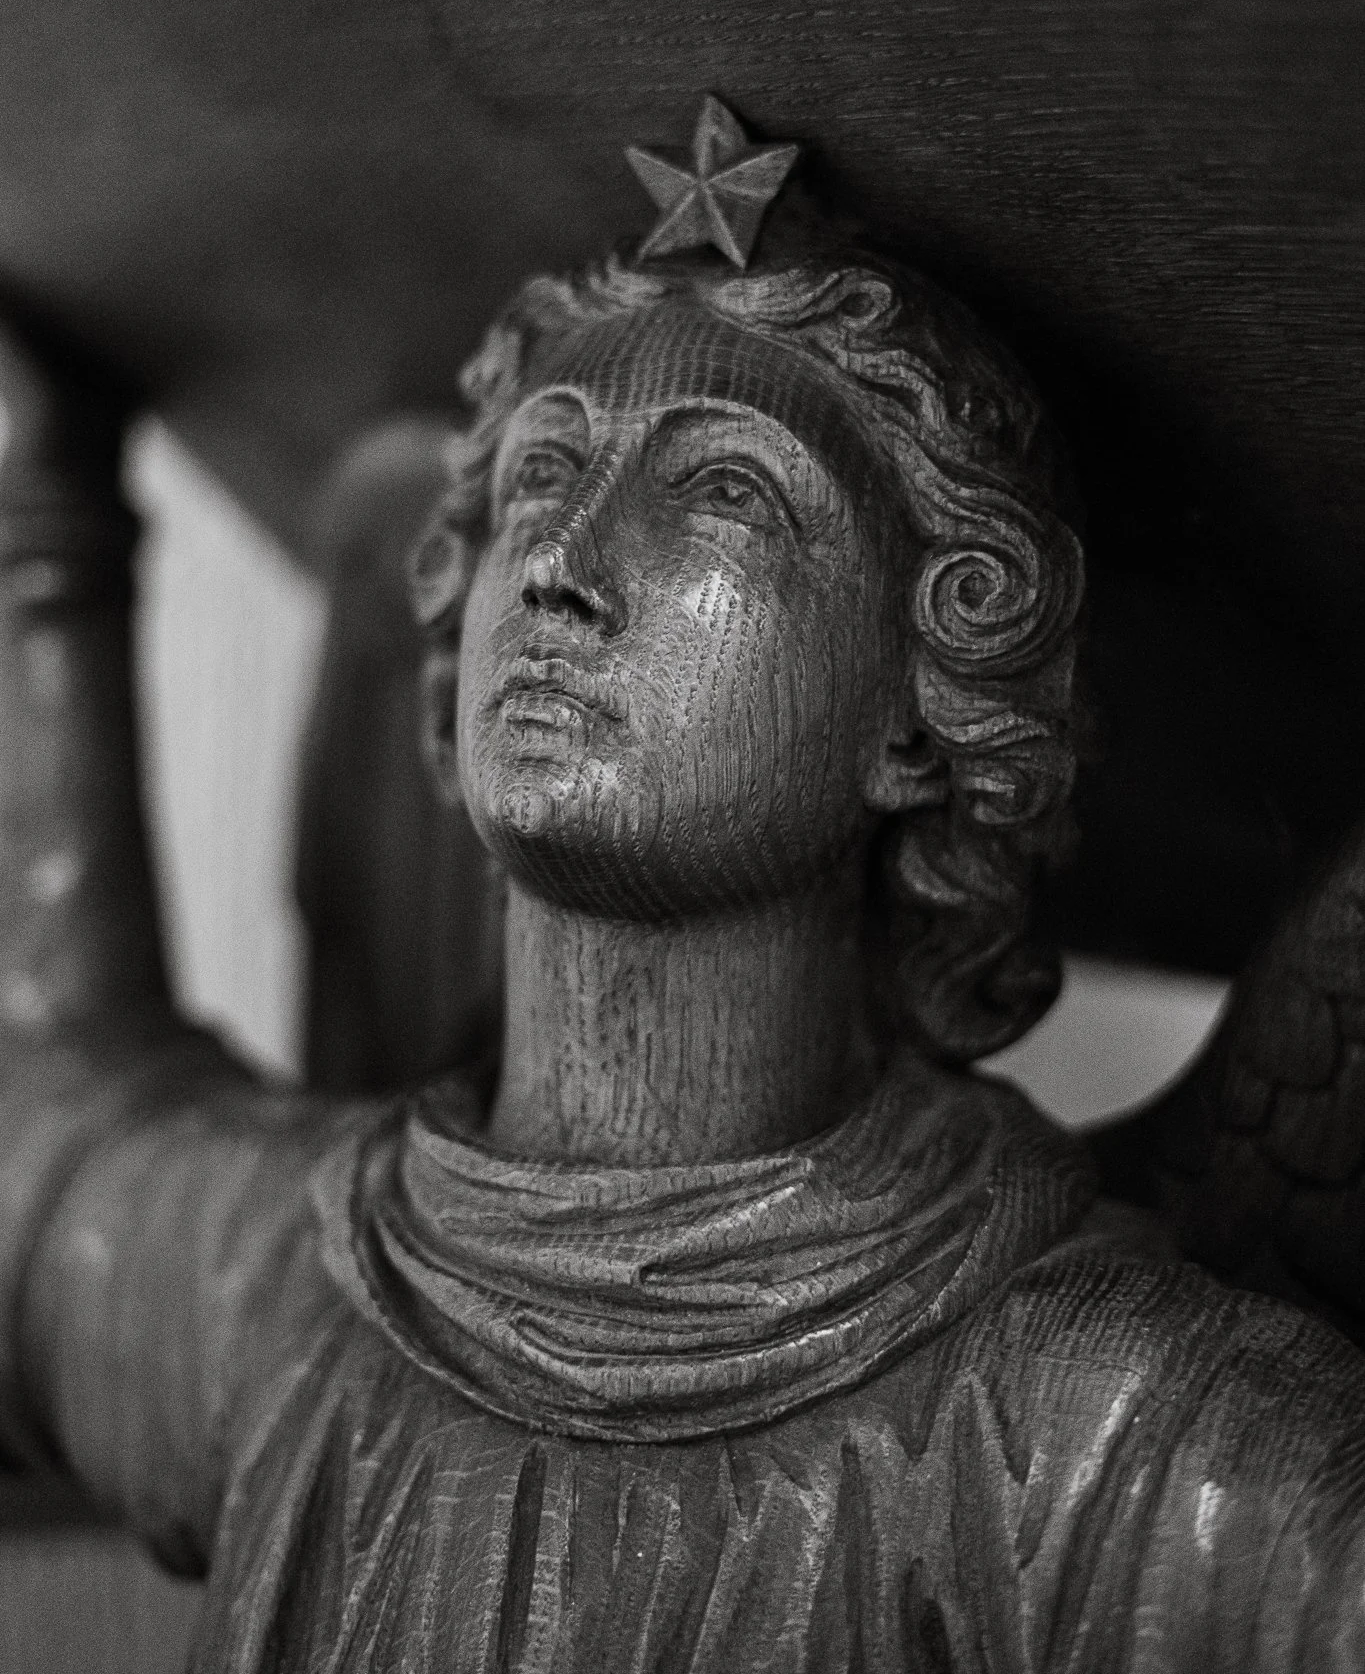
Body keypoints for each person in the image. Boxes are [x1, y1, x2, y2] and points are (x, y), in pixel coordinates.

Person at [2, 205, 1364, 1673]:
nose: (562, 567)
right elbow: (42, 1110)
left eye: (723, 489)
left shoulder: (1108, 1443)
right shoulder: (265, 1288)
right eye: (543, 474)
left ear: (922, 707)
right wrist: (40, 490)